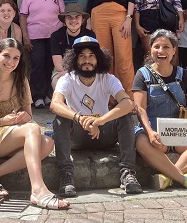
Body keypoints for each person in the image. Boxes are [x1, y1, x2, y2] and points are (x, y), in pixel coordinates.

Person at [0, 38, 69, 210]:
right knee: (34, 129)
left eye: (16, 58)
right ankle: (38, 189)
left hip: (11, 135)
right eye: (6, 56)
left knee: (47, 143)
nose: (11, 62)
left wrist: (23, 117)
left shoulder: (21, 81)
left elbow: (29, 116)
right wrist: (2, 121)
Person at [50, 36, 143, 197]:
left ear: (98, 59)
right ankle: (66, 175)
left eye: (91, 56)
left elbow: (127, 103)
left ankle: (128, 172)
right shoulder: (67, 79)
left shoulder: (108, 79)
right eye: (82, 56)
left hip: (104, 133)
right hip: (78, 136)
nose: (87, 60)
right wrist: (79, 118)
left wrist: (101, 120)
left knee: (125, 116)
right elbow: (55, 104)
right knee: (60, 119)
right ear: (74, 60)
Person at [133, 30, 187, 190]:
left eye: (166, 47)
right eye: (156, 46)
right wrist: (150, 132)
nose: (161, 51)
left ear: (174, 50)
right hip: (153, 131)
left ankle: (167, 178)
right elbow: (140, 109)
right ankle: (184, 179)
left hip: (179, 132)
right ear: (150, 49)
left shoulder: (182, 74)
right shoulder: (142, 75)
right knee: (141, 142)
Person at [20, 0, 65, 109]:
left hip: (54, 36)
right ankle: (38, 96)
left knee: (50, 65)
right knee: (37, 64)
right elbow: (22, 16)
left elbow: (63, 16)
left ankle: (48, 95)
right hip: (35, 36)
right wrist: (25, 38)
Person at [49, 4, 95, 89]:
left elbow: (92, 61)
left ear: (82, 20)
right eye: (69, 17)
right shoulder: (56, 36)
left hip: (85, 68)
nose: (73, 20)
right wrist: (69, 72)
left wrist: (76, 72)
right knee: (57, 82)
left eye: (77, 17)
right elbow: (58, 65)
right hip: (63, 70)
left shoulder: (90, 35)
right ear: (64, 21)